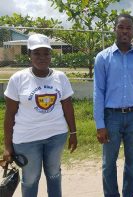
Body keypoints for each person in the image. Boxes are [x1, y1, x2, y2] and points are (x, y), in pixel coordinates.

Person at [3, 33, 77, 197]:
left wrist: (73, 133)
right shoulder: (18, 79)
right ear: (29, 55)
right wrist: (7, 146)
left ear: (51, 55)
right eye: (36, 53)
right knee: (30, 179)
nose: (42, 57)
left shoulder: (60, 77)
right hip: (26, 140)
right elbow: (9, 116)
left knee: (54, 174)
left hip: (56, 136)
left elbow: (67, 106)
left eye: (46, 53)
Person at [93, 14, 133, 197]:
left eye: (129, 28)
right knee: (108, 163)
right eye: (121, 27)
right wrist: (100, 125)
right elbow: (98, 92)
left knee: (132, 162)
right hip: (112, 117)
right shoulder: (103, 58)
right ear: (115, 29)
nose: (125, 31)